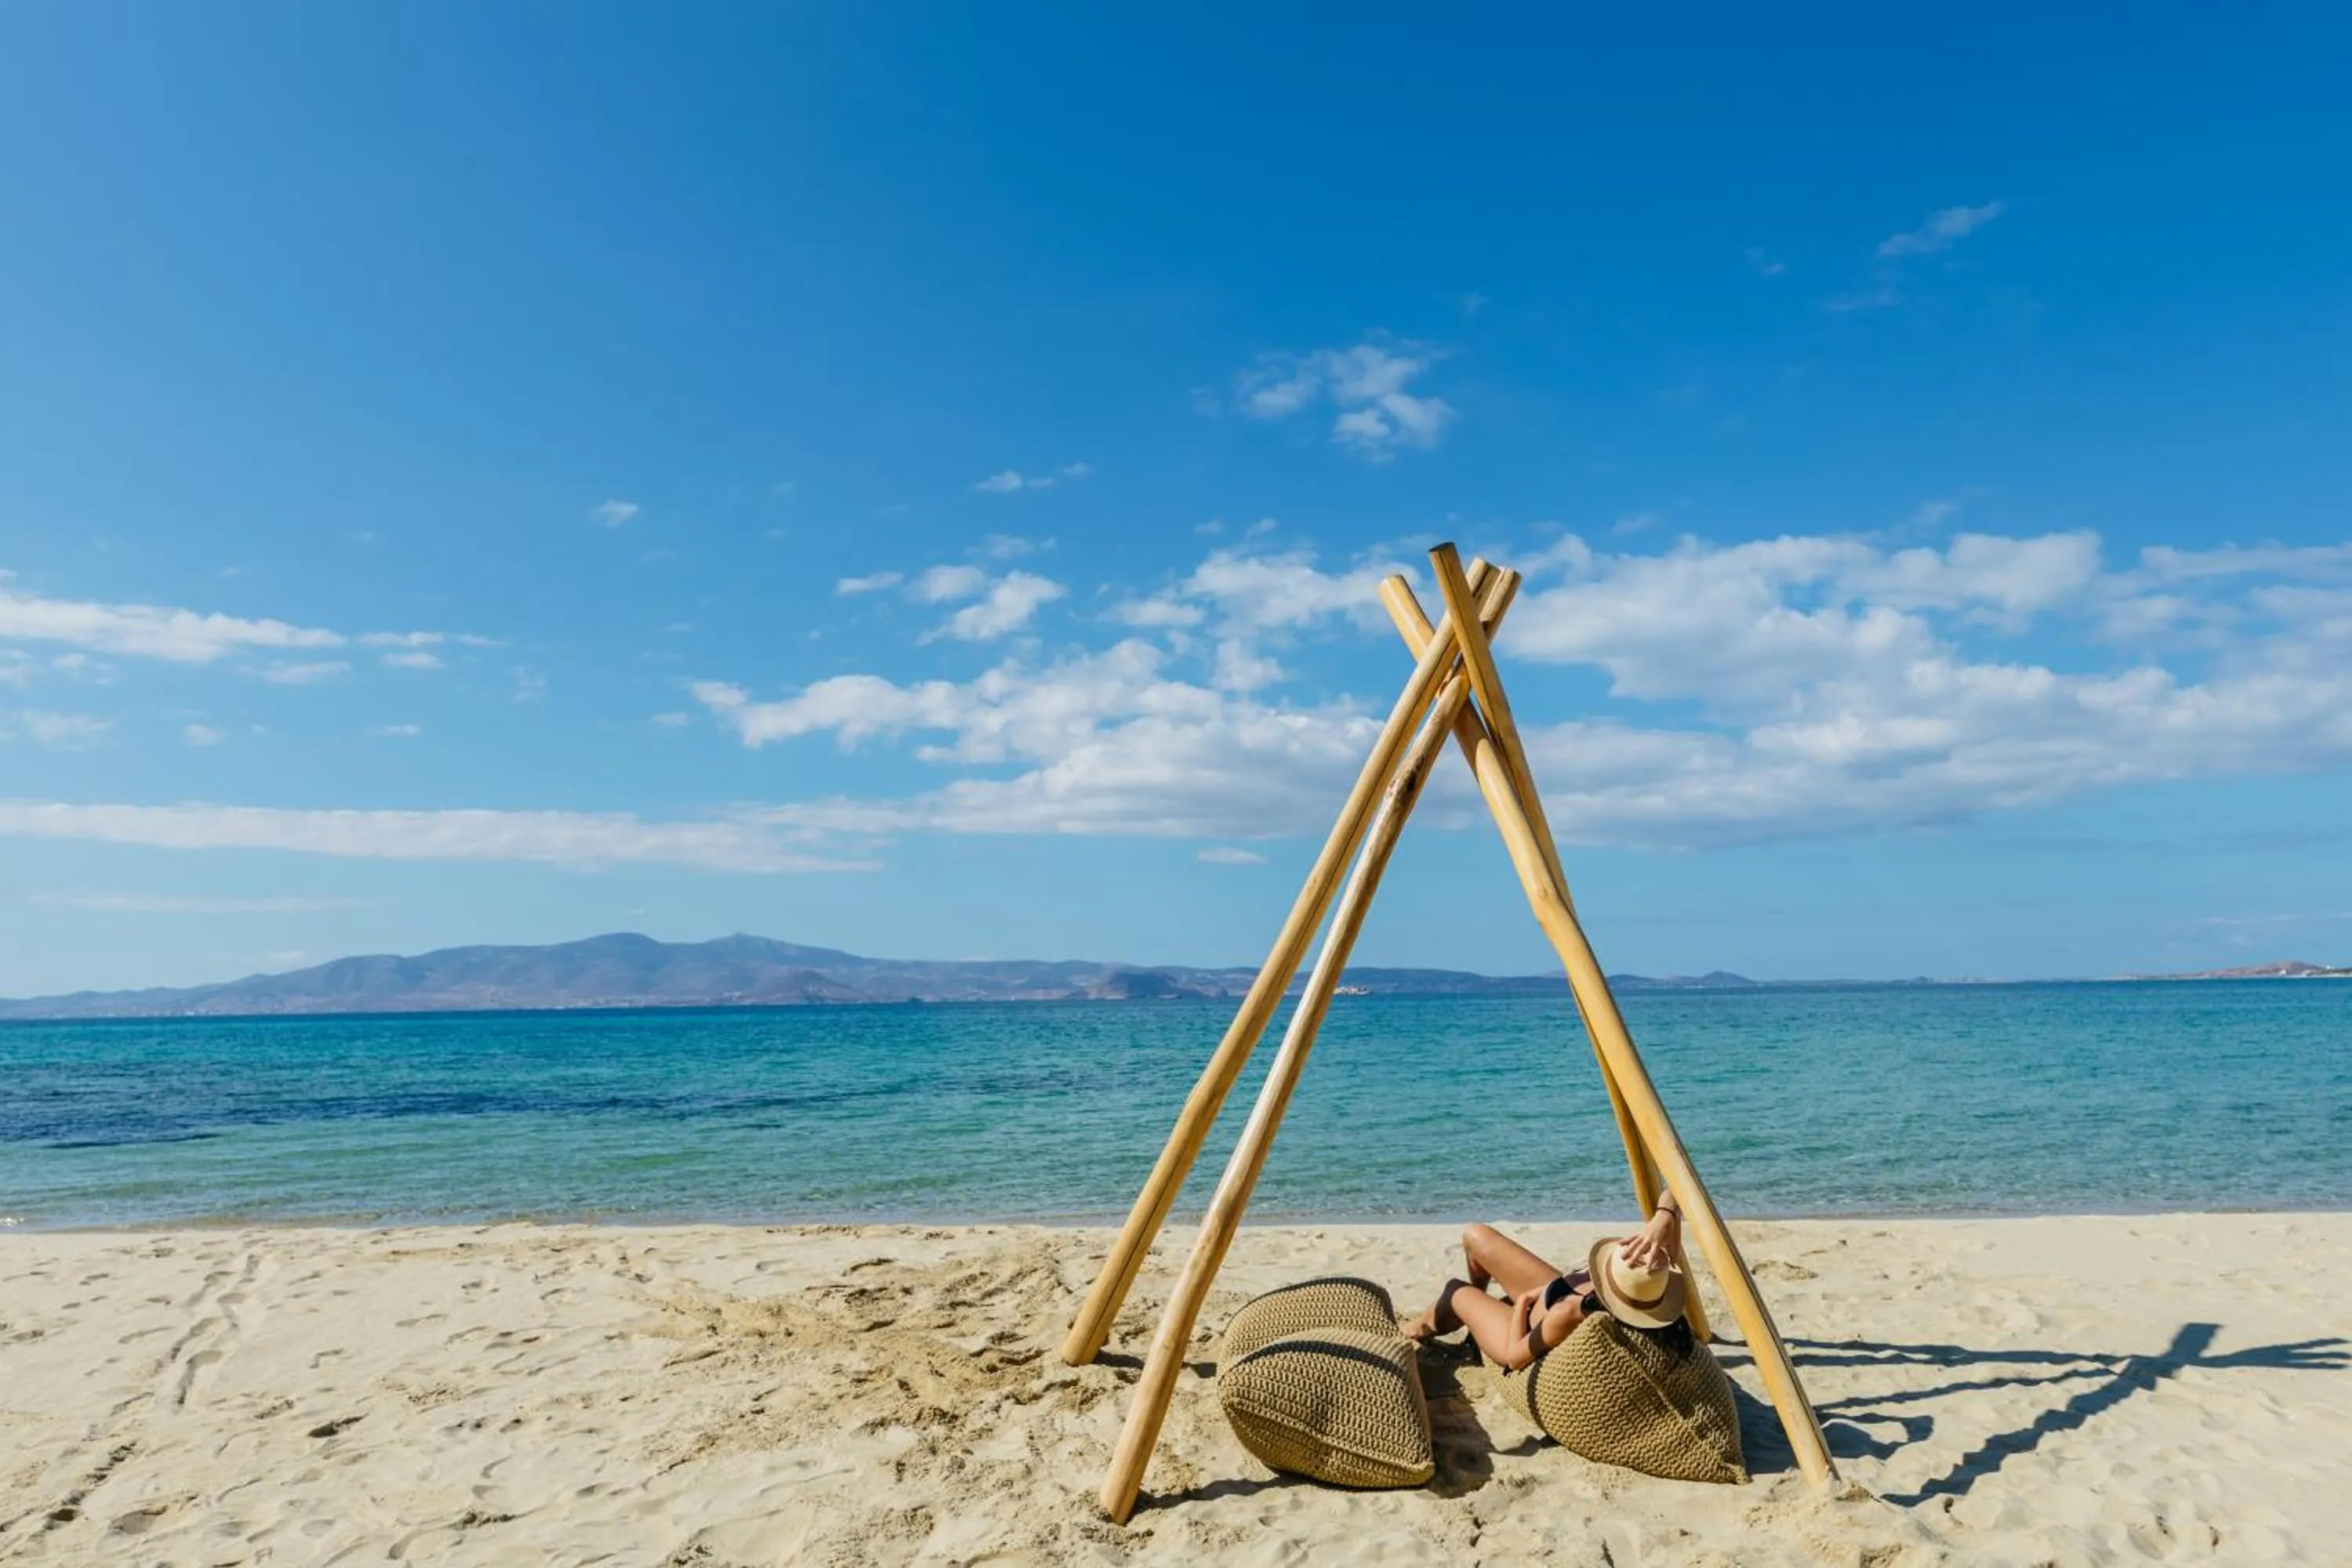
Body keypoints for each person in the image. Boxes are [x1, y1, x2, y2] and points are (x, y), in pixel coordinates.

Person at [1402, 1192, 1693, 1370]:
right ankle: (1473, 1334)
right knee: (1476, 1235)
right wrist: (1663, 1219)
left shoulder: (1569, 1312)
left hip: (1527, 1327)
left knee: (1456, 1291)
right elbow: (1675, 1194)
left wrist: (1523, 1304)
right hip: (1556, 1294)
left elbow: (1516, 1359)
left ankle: (1418, 1330)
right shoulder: (1650, 1287)